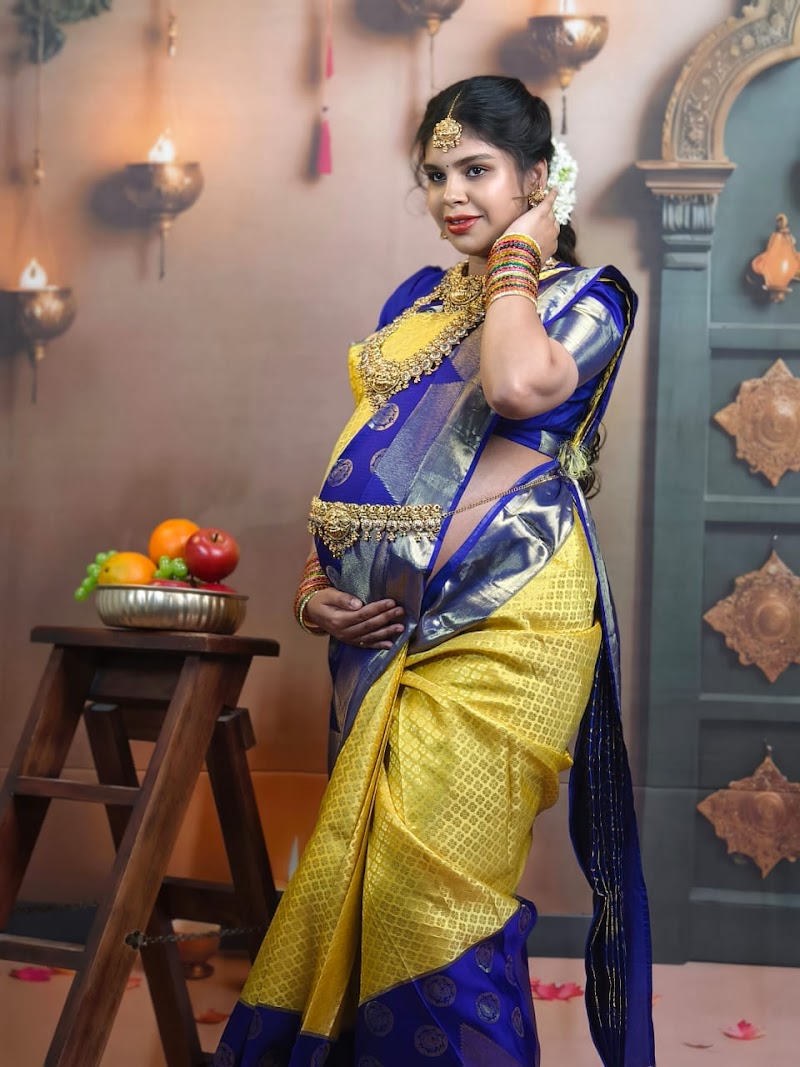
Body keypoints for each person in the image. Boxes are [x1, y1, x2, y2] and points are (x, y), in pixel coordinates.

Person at [214, 75, 655, 1067]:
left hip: (511, 621)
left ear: (537, 179)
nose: (452, 194)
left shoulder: (586, 298)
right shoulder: (415, 300)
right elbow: (376, 461)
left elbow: (514, 384)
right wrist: (312, 588)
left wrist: (519, 256)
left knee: (432, 891)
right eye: (435, 174)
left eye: (477, 170)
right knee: (363, 875)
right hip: (385, 630)